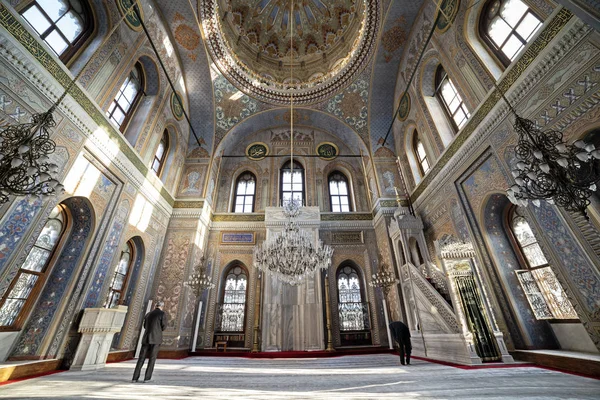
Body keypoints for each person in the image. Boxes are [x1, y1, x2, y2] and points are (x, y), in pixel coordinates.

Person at [132, 301, 166, 383]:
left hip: (146, 338)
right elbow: (164, 326)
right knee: (152, 358)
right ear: (162, 306)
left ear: (155, 306)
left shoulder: (148, 314)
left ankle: (135, 378)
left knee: (141, 358)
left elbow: (144, 326)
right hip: (156, 339)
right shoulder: (162, 314)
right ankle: (147, 378)